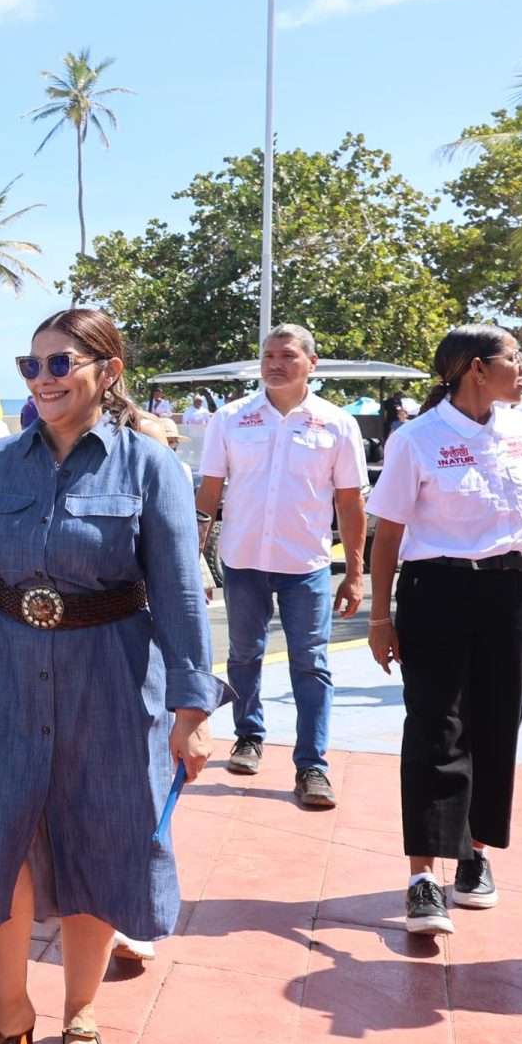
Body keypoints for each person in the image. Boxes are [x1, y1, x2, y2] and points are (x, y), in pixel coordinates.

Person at [0, 308, 218, 1044]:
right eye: (33, 364)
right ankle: (7, 1007)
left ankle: (79, 1013)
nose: (43, 379)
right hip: (3, 675)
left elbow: (181, 593)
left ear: (107, 373)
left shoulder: (151, 468)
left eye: (61, 364)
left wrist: (192, 708)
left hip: (113, 679)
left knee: (100, 842)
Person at [367, 324, 522, 937]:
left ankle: (474, 853)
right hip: (437, 591)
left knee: (497, 722)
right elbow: (386, 533)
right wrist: (380, 615)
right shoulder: (416, 438)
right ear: (475, 367)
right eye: (514, 358)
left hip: (512, 591)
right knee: (437, 725)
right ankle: (422, 875)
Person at [197, 325, 366, 806]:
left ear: (312, 363)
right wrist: (194, 557)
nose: (274, 364)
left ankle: (312, 766)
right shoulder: (230, 419)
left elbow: (350, 503)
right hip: (244, 561)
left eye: (286, 356)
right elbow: (210, 493)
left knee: (310, 664)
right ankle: (249, 734)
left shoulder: (336, 424)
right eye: (268, 356)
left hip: (306, 565)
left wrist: (354, 572)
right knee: (244, 655)